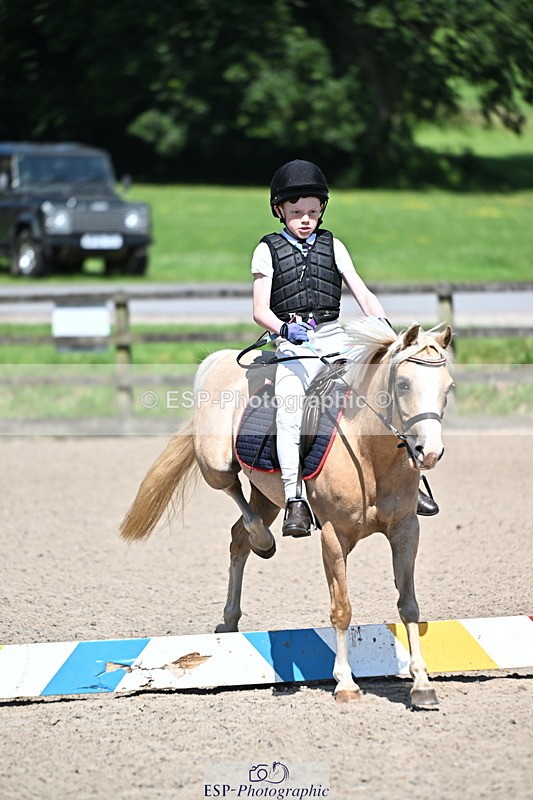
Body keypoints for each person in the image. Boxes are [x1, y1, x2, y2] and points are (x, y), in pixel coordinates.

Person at [251, 159, 438, 538]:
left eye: (312, 212)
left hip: (335, 337)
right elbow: (259, 310)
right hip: (293, 344)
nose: (305, 220)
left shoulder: (333, 245)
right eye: (296, 213)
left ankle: (413, 481)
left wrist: (383, 325)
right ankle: (295, 499)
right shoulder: (266, 250)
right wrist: (284, 329)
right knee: (289, 411)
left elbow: (361, 292)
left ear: (322, 209)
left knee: (383, 393)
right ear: (279, 211)